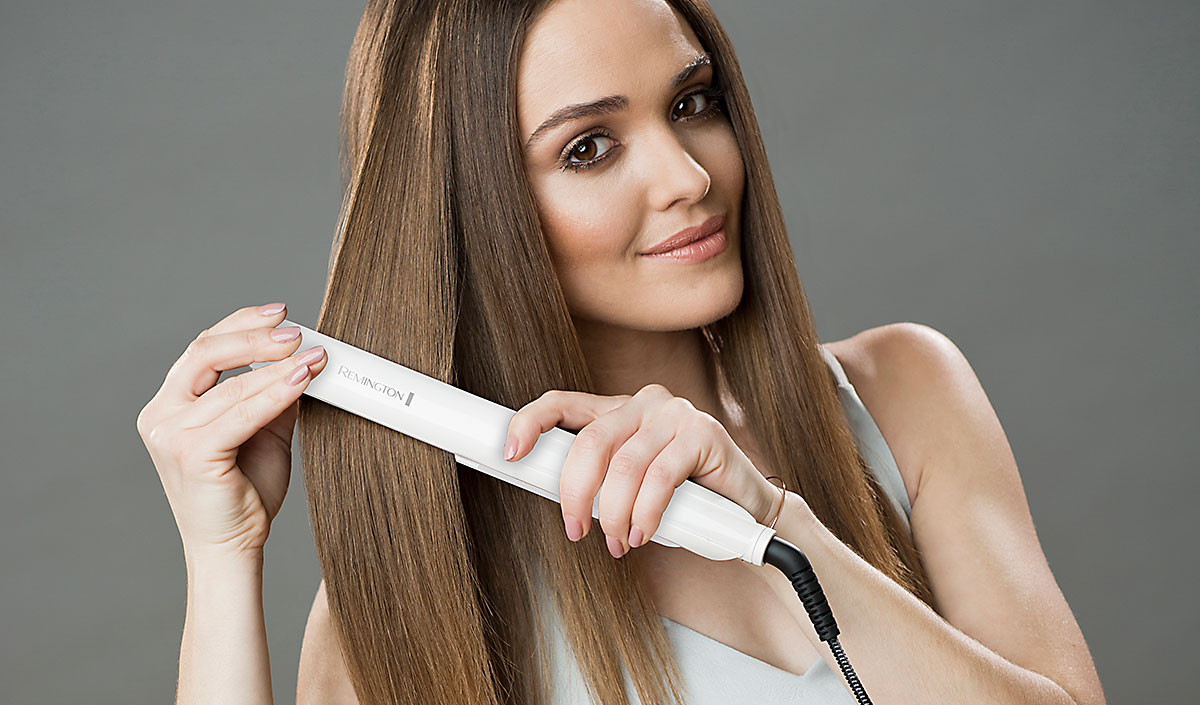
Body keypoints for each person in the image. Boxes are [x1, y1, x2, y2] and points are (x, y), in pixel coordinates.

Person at [135, 1, 1107, 704]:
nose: (689, 175)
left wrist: (776, 524)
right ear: (473, 216)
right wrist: (222, 559)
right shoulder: (428, 580)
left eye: (692, 103)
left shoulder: (904, 392)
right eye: (589, 148)